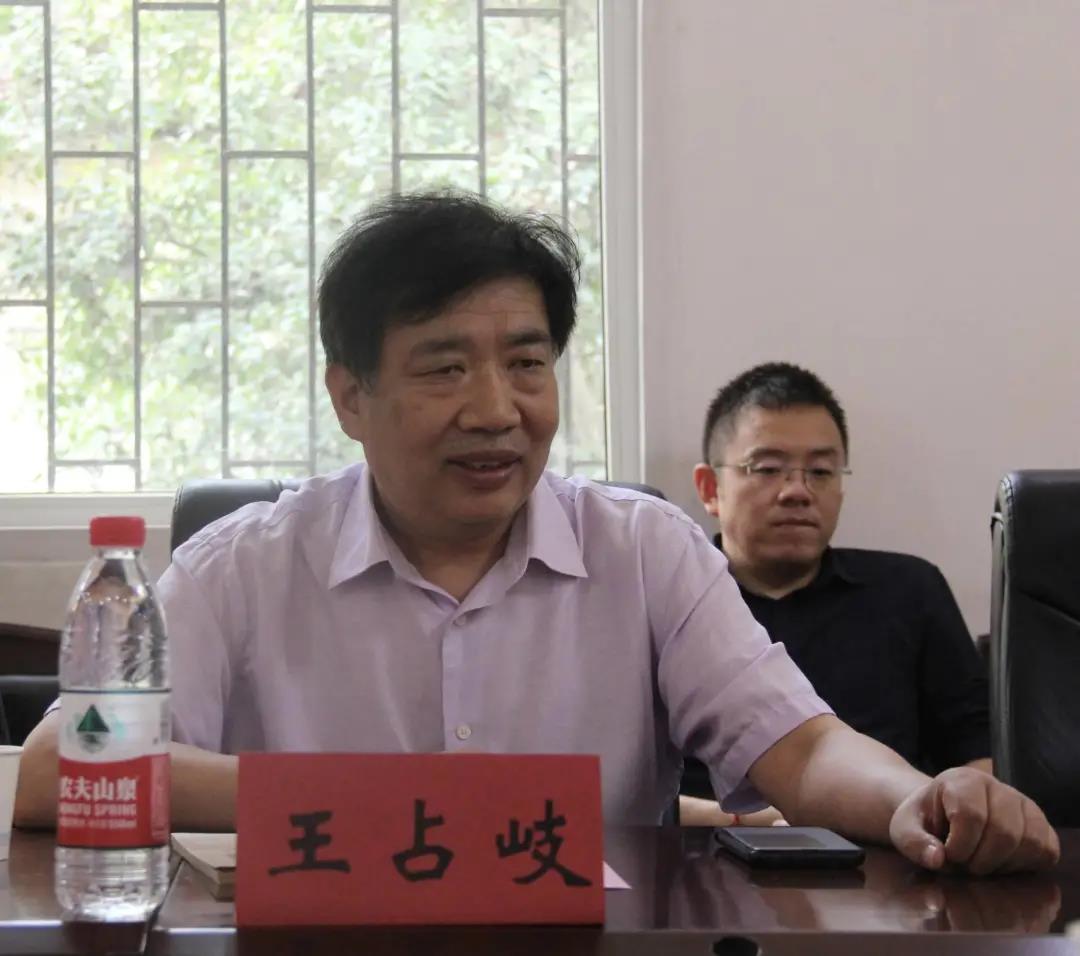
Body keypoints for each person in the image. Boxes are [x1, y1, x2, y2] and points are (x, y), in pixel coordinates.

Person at [16, 194, 1056, 875]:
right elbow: (61, 767)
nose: (496, 409)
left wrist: (918, 797)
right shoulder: (248, 562)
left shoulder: (644, 550)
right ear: (350, 395)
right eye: (443, 368)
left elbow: (801, 747)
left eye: (526, 363)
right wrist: (381, 803)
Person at [683, 362, 990, 824]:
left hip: (888, 852)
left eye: (821, 471)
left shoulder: (910, 590)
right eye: (768, 469)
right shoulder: (671, 599)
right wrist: (755, 823)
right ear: (711, 488)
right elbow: (622, 790)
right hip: (695, 853)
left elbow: (978, 752)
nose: (798, 491)